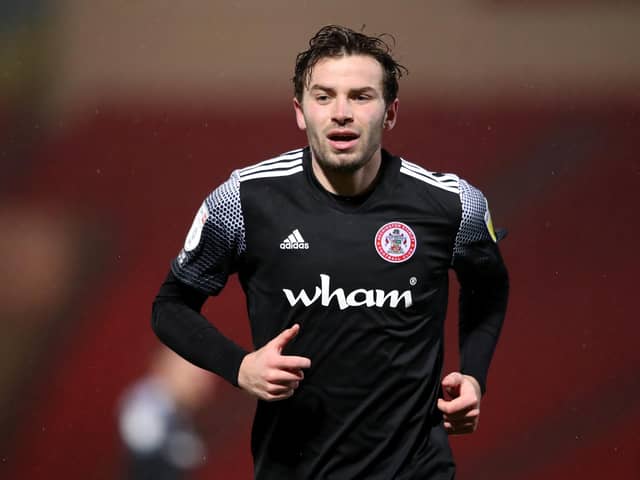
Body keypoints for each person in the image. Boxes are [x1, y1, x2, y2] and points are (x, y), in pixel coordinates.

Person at [152, 24, 509, 479]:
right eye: (324, 97)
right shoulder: (243, 201)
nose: (342, 113)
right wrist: (239, 366)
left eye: (361, 97)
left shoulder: (453, 204)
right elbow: (170, 306)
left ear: (391, 112)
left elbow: (489, 285)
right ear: (300, 112)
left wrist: (474, 375)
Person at [117, 347, 217, 479]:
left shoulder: (181, 415)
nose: (202, 383)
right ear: (167, 366)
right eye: (193, 376)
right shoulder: (146, 408)